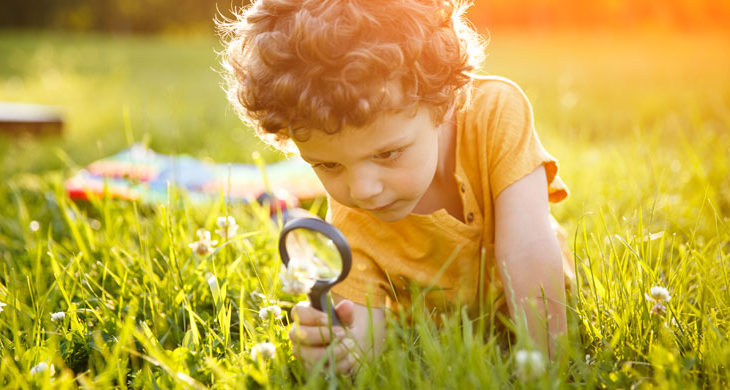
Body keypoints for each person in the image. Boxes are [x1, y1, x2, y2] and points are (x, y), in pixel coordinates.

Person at [220, 0, 574, 374]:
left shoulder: (495, 113)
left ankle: (286, 202)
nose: (363, 191)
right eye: (327, 164)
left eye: (388, 153)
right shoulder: (352, 219)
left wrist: (548, 364)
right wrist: (338, 351)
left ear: (444, 101)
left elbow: (528, 248)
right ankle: (281, 207)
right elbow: (365, 341)